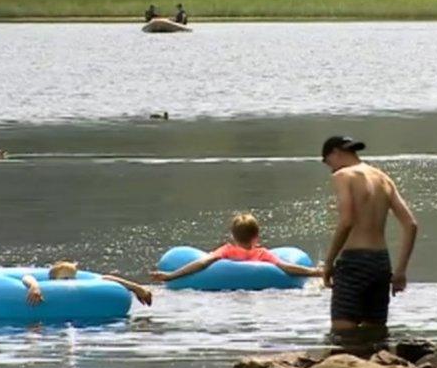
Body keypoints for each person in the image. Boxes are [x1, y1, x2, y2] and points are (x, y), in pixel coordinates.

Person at [320, 135, 418, 339]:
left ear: (336, 153)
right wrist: (400, 271)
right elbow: (411, 224)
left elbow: (347, 221)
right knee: (375, 334)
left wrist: (328, 263)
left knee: (342, 334)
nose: (330, 168)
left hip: (354, 261)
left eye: (328, 162)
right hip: (381, 263)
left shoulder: (343, 176)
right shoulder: (383, 178)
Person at [150, 213, 322, 282]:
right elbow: (286, 268)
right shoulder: (261, 254)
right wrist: (315, 272)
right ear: (257, 236)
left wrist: (171, 275)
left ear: (232, 236)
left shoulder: (226, 251)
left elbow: (201, 264)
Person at [23, 261, 153, 306]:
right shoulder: (45, 286)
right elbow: (27, 277)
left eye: (72, 279)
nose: (70, 283)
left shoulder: (79, 288)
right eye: (65, 279)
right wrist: (34, 286)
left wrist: (136, 288)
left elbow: (104, 279)